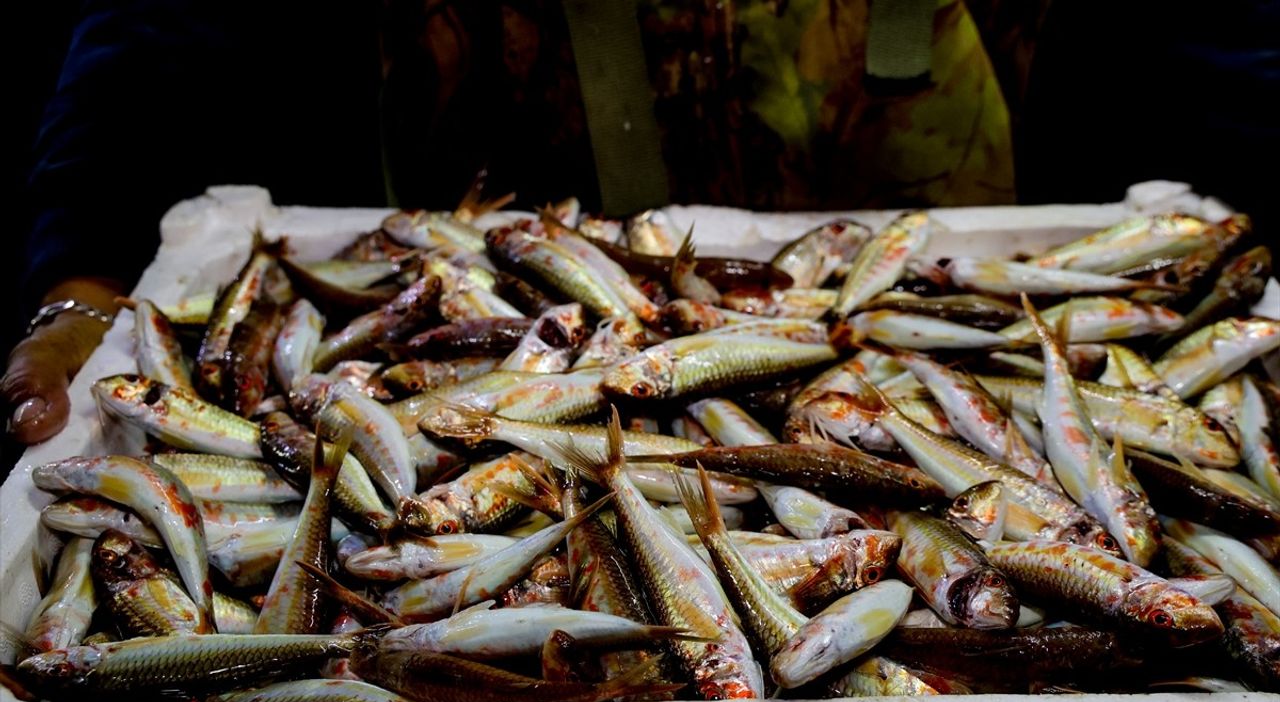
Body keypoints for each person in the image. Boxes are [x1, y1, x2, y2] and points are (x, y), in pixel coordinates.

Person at [7, 0, 1276, 447]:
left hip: (954, 309)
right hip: (488, 290)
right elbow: (164, 30)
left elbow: (1219, 39)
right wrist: (83, 274)